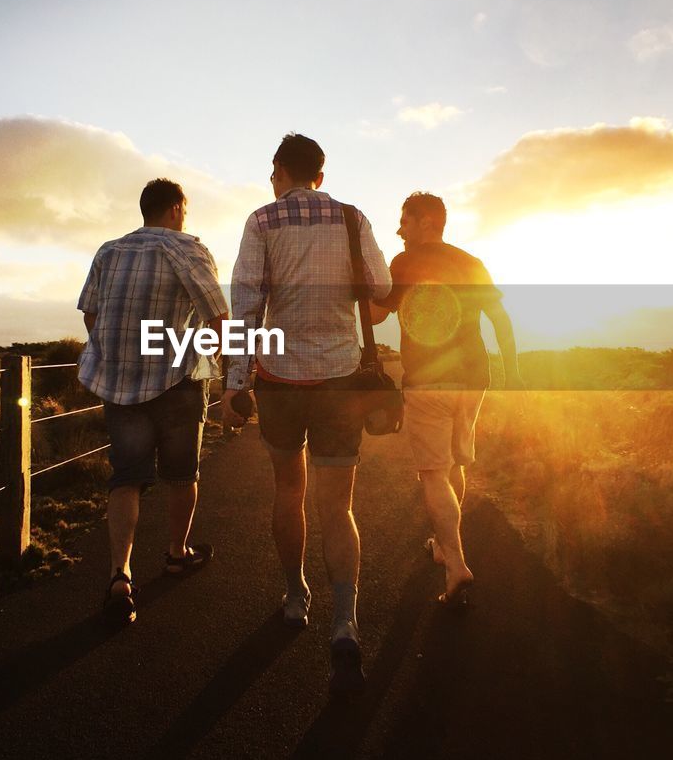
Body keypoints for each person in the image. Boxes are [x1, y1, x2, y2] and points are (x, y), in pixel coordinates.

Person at [222, 133, 391, 697]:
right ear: (319, 174)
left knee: (287, 490)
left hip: (280, 381)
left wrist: (233, 382)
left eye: (272, 174)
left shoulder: (262, 221)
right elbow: (383, 288)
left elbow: (245, 302)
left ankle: (296, 595)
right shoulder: (352, 218)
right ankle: (345, 620)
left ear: (280, 171)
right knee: (338, 506)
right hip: (341, 379)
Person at [77, 178, 229, 628]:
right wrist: (213, 359)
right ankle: (177, 553)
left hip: (120, 383)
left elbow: (90, 312)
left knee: (125, 478)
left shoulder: (109, 251)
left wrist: (116, 355)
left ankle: (119, 575)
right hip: (178, 382)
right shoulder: (188, 249)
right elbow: (218, 317)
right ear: (176, 209)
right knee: (182, 475)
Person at [371, 192, 523, 607]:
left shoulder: (405, 262)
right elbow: (500, 318)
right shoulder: (471, 262)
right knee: (454, 462)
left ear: (426, 222)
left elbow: (374, 315)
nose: (399, 230)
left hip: (428, 383)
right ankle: (443, 543)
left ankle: (455, 564)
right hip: (475, 378)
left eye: (405, 221)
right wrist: (512, 369)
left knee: (433, 473)